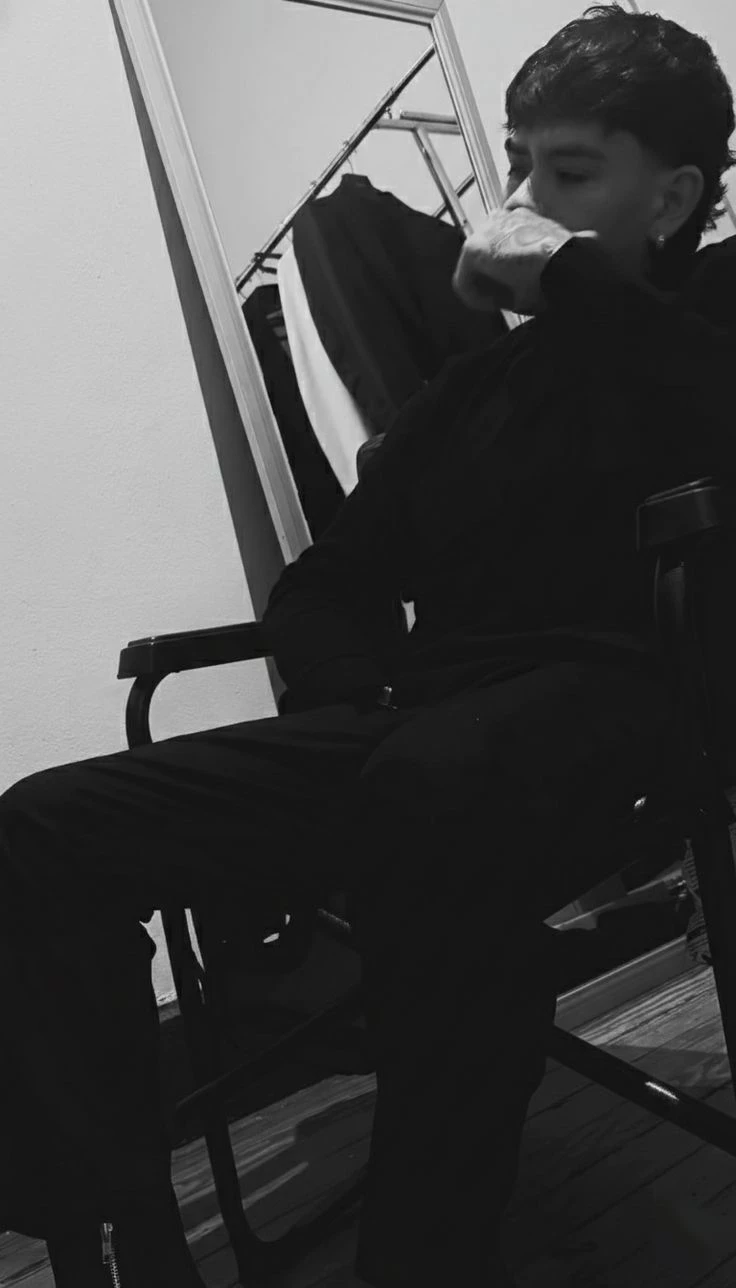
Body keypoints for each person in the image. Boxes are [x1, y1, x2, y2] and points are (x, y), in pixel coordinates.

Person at [1, 4, 735, 1285]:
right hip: (426, 732)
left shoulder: (711, 315)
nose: (520, 201)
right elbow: (323, 582)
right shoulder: (473, 387)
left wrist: (563, 279)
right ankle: (120, 1229)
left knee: (430, 784)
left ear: (671, 198)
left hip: (630, 691)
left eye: (568, 172)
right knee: (43, 823)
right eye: (519, 163)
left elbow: (701, 404)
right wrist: (353, 694)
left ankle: (423, 1255)